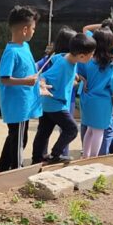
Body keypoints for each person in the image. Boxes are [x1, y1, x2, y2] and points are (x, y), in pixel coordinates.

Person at [32, 33, 95, 164]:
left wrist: (74, 78)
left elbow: (56, 59)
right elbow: (44, 76)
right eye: (91, 54)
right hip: (55, 104)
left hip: (48, 103)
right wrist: (42, 84)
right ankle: (55, 155)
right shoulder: (63, 65)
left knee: (43, 132)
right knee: (72, 129)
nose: (92, 57)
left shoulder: (67, 58)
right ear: (81, 56)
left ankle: (37, 159)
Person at [0, 6, 42, 172]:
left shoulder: (24, 46)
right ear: (25, 29)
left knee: (15, 136)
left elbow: (28, 68)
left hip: (24, 103)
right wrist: (25, 81)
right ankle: (17, 169)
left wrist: (39, 82)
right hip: (18, 106)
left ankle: (2, 167)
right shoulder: (12, 52)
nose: (34, 32)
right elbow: (4, 78)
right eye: (33, 28)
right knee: (20, 139)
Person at [78, 29, 113, 159]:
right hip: (103, 104)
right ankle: (93, 158)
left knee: (89, 129)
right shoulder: (112, 66)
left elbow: (77, 73)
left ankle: (85, 156)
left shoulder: (88, 61)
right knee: (99, 132)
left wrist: (83, 80)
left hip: (87, 100)